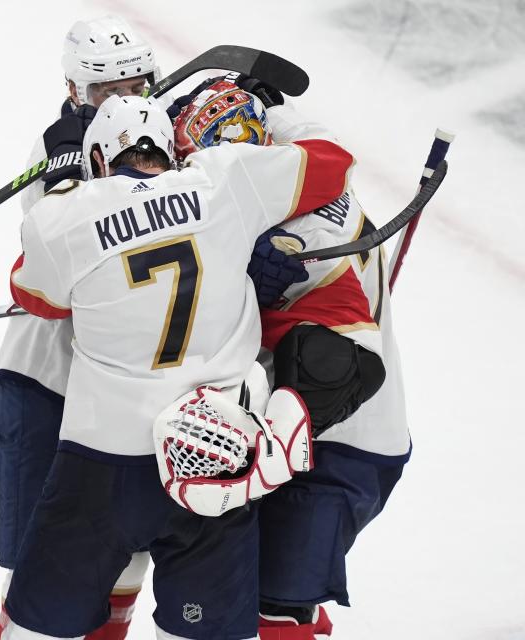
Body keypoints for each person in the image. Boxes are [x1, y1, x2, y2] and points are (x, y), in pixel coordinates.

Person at [1, 90, 355, 640]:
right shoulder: (226, 177)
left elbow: (37, 297)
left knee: (37, 631)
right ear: (172, 149)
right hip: (216, 453)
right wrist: (269, 105)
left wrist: (66, 185)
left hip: (101, 464)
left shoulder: (65, 216)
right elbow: (332, 162)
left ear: (99, 161)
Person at [173, 80, 401, 639]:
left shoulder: (286, 232)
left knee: (276, 606)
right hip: (305, 429)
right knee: (266, 596)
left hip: (339, 445)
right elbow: (312, 138)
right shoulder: (304, 165)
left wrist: (245, 286)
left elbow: (346, 361)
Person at [0, 17, 160, 639]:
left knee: (125, 566)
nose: (122, 101)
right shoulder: (56, 152)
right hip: (45, 385)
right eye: (103, 91)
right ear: (72, 88)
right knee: (41, 583)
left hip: (127, 396)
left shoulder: (169, 146)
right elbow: (54, 278)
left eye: (135, 83)